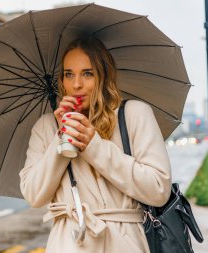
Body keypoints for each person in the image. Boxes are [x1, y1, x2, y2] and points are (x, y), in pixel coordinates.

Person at [19, 36, 172, 253]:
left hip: (125, 243)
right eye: (68, 74)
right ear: (61, 80)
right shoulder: (46, 126)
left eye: (88, 73)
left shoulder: (134, 114)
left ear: (104, 76)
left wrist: (94, 146)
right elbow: (34, 195)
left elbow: (158, 190)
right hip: (70, 243)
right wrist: (62, 137)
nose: (76, 84)